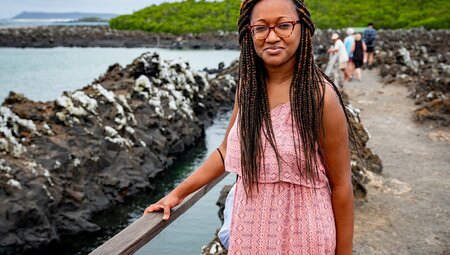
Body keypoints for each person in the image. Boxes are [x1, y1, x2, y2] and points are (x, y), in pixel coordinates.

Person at [144, 0, 355, 254]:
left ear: (302, 27)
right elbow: (225, 152)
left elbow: (342, 186)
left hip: (304, 235)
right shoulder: (248, 88)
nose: (272, 36)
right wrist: (177, 194)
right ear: (250, 33)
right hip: (250, 233)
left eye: (284, 25)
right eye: (261, 28)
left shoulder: (319, 96)